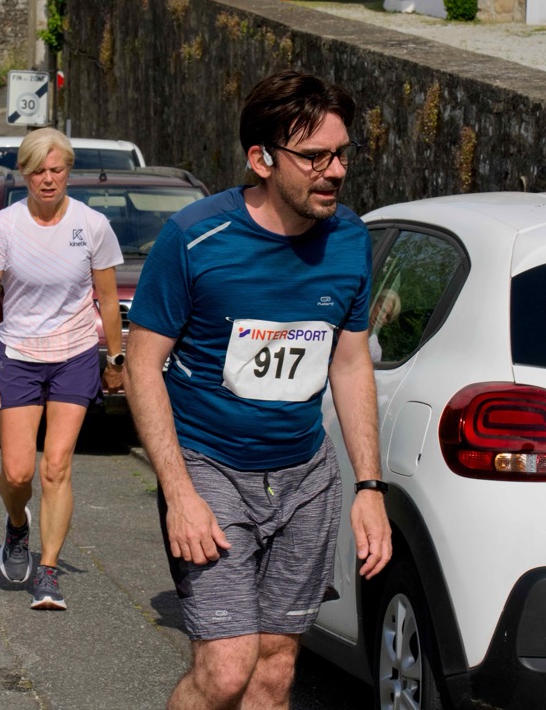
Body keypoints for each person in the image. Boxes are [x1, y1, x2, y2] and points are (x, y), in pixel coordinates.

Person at [124, 70, 392, 709]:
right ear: (262, 159)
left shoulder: (349, 239)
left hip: (305, 477)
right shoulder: (195, 237)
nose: (334, 171)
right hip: (211, 467)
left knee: (274, 670)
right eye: (314, 156)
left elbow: (349, 363)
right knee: (225, 669)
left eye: (342, 154)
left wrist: (370, 487)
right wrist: (178, 493)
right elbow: (140, 366)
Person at [0, 128, 125, 610]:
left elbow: (108, 299)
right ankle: (18, 525)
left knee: (55, 466)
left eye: (57, 170)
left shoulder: (92, 224)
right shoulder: (4, 226)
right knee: (17, 474)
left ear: (69, 171)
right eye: (38, 171)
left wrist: (115, 359)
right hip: (17, 355)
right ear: (24, 174)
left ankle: (49, 571)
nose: (48, 179)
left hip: (74, 355)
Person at [368, 288, 401, 363]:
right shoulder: (348, 320)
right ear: (373, 301)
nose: (382, 317)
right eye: (382, 309)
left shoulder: (375, 351)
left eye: (388, 317)